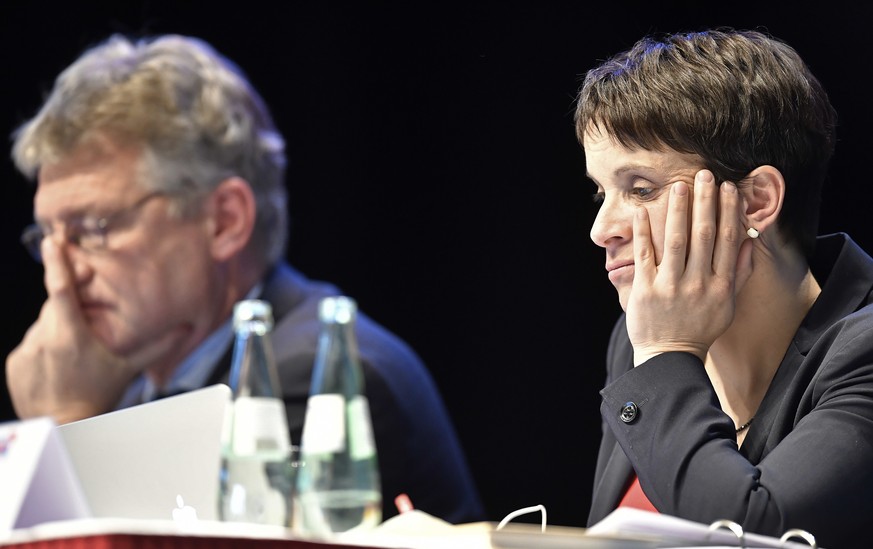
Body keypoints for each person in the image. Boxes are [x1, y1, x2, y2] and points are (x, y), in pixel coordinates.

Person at [5, 33, 482, 524]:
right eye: (46, 236)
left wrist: (64, 428)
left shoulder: (320, 380)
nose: (60, 276)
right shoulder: (129, 383)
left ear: (225, 221)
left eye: (92, 230)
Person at [575, 28, 873, 548]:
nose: (602, 229)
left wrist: (667, 352)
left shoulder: (863, 351)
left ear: (757, 201)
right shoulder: (635, 337)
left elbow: (745, 534)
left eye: (640, 189)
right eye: (601, 192)